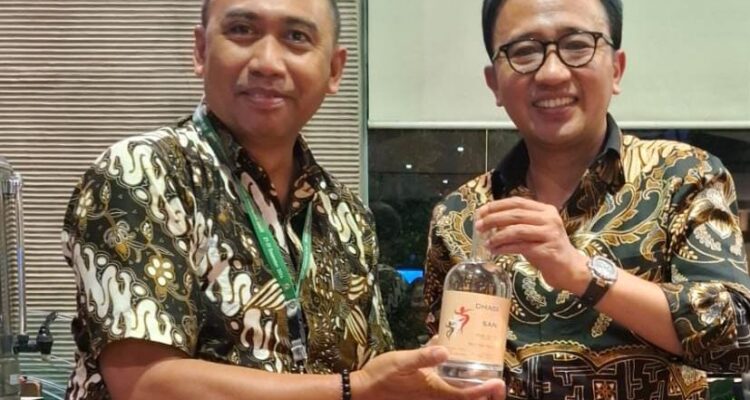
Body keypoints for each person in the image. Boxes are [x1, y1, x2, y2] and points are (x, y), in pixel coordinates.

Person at [61, 0, 505, 399]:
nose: (268, 62)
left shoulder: (346, 214)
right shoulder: (142, 174)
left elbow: (371, 372)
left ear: (334, 70)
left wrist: (417, 377)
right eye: (242, 30)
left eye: (296, 37)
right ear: (200, 49)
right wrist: (354, 389)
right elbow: (146, 385)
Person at [424, 0, 750, 399]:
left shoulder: (684, 175)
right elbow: (444, 363)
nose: (552, 72)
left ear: (616, 68)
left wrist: (582, 272)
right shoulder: (460, 214)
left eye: (577, 45)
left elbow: (739, 341)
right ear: (494, 83)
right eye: (524, 51)